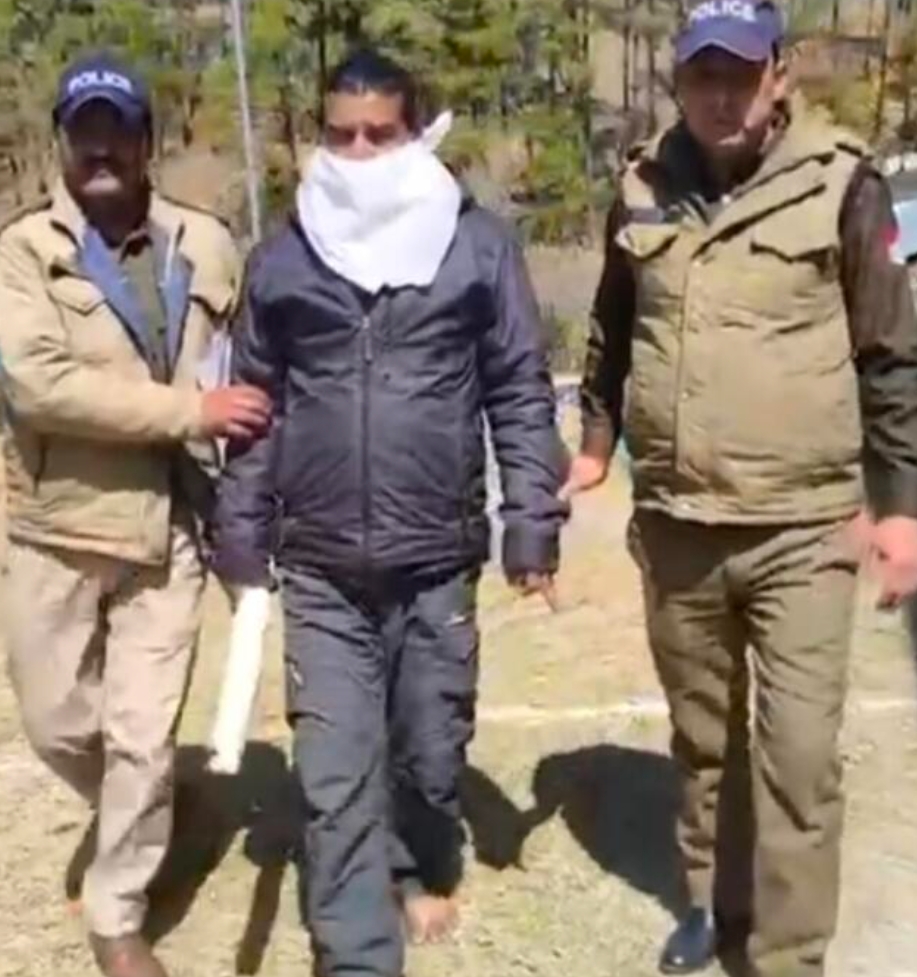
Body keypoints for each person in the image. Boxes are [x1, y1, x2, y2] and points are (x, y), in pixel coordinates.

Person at [562, 3, 917, 976]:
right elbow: (610, 330)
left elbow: (890, 357)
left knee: (795, 755)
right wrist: (592, 442)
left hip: (803, 525)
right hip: (679, 522)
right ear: (678, 80)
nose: (719, 96)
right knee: (703, 739)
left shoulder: (842, 183)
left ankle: (788, 952)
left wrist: (899, 506)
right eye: (701, 75)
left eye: (739, 74)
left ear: (776, 76)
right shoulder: (639, 187)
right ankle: (715, 905)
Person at [213, 48, 565, 977]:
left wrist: (530, 520)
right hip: (320, 564)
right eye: (342, 136)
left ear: (417, 134)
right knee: (335, 774)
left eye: (381, 134)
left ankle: (416, 861)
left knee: (429, 751)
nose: (361, 153)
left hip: (436, 558)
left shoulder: (476, 247)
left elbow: (518, 388)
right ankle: (358, 954)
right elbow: (253, 406)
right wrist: (241, 530)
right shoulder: (283, 259)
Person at [0, 53, 270, 977]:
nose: (102, 150)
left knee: (143, 737)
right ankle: (149, 806)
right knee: (57, 724)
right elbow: (38, 386)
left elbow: (248, 361)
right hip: (59, 525)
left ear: (147, 140)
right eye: (85, 133)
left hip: (174, 526)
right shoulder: (21, 252)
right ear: (61, 144)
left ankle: (118, 913)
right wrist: (188, 411)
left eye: (118, 131)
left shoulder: (207, 241)